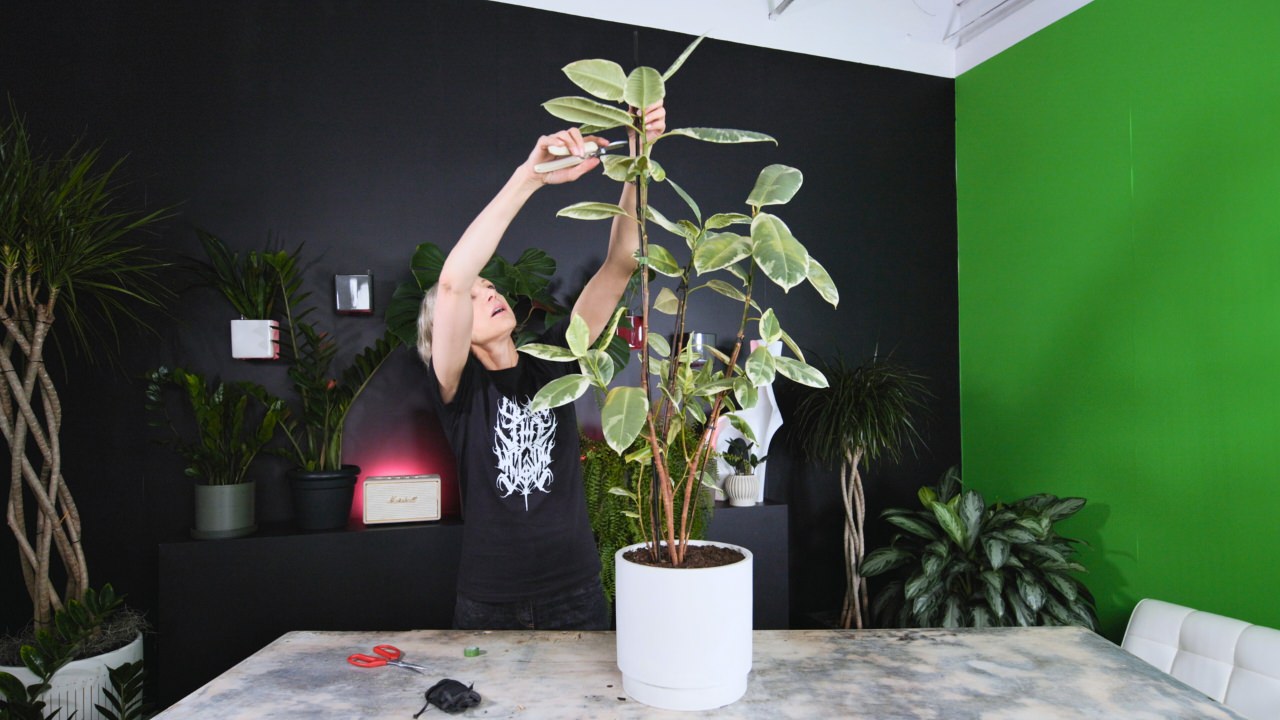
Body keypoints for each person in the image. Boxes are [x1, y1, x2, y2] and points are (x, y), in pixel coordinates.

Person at [417, 102, 667, 630]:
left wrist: (638, 162)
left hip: (574, 594)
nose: (488, 293)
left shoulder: (556, 360)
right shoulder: (457, 389)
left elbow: (622, 265)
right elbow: (453, 282)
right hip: (489, 603)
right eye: (476, 294)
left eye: (492, 287)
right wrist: (528, 177)